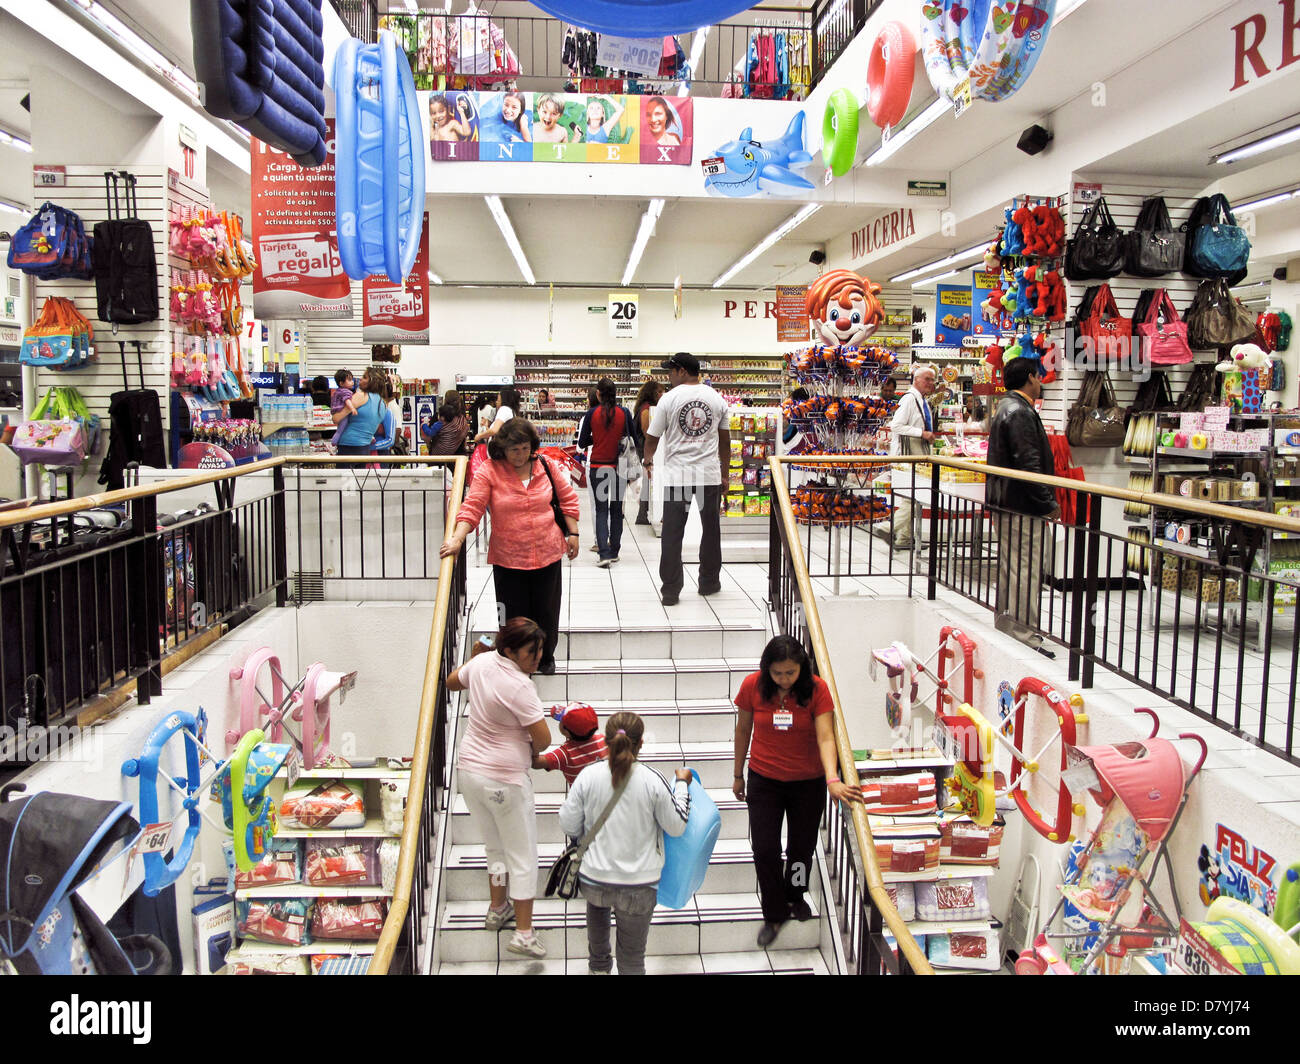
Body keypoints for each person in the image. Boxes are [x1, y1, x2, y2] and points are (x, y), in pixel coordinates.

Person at [733, 635, 863, 948]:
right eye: (777, 673)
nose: (784, 679)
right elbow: (742, 730)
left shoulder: (817, 690)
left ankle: (796, 894)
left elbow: (826, 738)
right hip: (764, 780)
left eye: (790, 673)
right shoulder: (752, 686)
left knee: (800, 849)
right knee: (764, 849)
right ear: (767, 670)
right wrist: (738, 774)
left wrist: (832, 778)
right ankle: (774, 913)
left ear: (801, 668)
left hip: (808, 783)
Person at [445, 617, 554, 958]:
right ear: (509, 650)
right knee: (522, 856)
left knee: (495, 847)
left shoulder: (482, 662)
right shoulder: (521, 687)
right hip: (506, 780)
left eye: (539, 650)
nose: (537, 657)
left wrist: (476, 656)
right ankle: (523, 933)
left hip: (470, 774)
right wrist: (531, 753)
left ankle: (497, 908)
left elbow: (451, 682)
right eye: (530, 652)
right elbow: (544, 738)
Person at [440, 417, 580, 675]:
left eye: (526, 448)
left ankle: (545, 657)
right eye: (515, 449)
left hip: (547, 553)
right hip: (509, 558)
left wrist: (573, 533)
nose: (521, 454)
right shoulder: (490, 471)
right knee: (512, 614)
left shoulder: (545, 465)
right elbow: (472, 507)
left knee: (546, 611)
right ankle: (514, 660)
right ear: (502, 447)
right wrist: (457, 539)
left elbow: (567, 498)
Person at [558, 712, 692, 975]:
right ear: (641, 742)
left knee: (597, 957)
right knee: (632, 959)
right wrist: (682, 785)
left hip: (595, 879)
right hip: (639, 884)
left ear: (605, 741)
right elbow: (676, 827)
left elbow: (568, 825)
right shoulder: (652, 779)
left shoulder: (588, 776)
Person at [644, 354, 729, 605]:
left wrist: (648, 460)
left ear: (682, 371)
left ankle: (670, 590)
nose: (668, 377)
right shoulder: (716, 398)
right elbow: (725, 440)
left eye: (670, 372)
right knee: (711, 531)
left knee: (672, 533)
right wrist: (724, 474)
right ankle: (709, 582)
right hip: (708, 476)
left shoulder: (669, 399)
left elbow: (652, 437)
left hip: (678, 477)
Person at [986, 357, 1058, 655]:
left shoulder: (1007, 407)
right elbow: (1028, 462)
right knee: (1025, 566)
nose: (1040, 383)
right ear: (1031, 377)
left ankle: (1009, 623)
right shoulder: (1020, 412)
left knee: (1012, 564)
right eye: (1038, 377)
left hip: (1007, 502)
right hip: (1021, 504)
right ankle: (1024, 631)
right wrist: (1047, 501)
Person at [578, 377, 635, 567]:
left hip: (598, 467)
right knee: (617, 510)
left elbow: (582, 442)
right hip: (619, 468)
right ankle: (615, 550)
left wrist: (598, 438)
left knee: (601, 511)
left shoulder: (591, 413)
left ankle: (603, 554)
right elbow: (634, 438)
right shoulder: (625, 413)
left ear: (598, 394)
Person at [888, 365, 938, 552]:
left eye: (933, 379)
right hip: (906, 455)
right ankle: (887, 527)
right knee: (914, 494)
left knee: (912, 494)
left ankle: (905, 538)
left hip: (913, 455)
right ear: (916, 379)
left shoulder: (921, 400)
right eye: (927, 379)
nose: (931, 383)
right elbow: (896, 426)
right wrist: (921, 433)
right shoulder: (909, 400)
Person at [532, 702, 607, 788]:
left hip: (581, 799)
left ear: (565, 731)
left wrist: (535, 741)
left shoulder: (565, 753)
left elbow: (535, 763)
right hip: (604, 796)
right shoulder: (603, 740)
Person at [333, 368, 390, 457]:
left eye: (364, 377)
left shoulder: (361, 396)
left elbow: (336, 419)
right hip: (365, 448)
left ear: (372, 381)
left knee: (344, 471)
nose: (360, 379)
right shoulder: (383, 403)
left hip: (348, 445)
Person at [631, 380, 664, 525]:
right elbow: (647, 433)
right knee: (646, 483)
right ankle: (642, 515)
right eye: (659, 392)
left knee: (647, 483)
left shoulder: (646, 408)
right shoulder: (646, 410)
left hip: (643, 450)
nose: (662, 394)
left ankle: (643, 514)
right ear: (652, 393)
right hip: (642, 451)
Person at [330, 368, 355, 446]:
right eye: (349, 380)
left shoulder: (338, 391)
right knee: (341, 429)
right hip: (341, 410)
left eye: (352, 379)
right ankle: (334, 441)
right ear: (341, 383)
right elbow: (347, 400)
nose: (352, 382)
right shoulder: (345, 391)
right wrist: (352, 408)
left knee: (341, 427)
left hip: (336, 410)